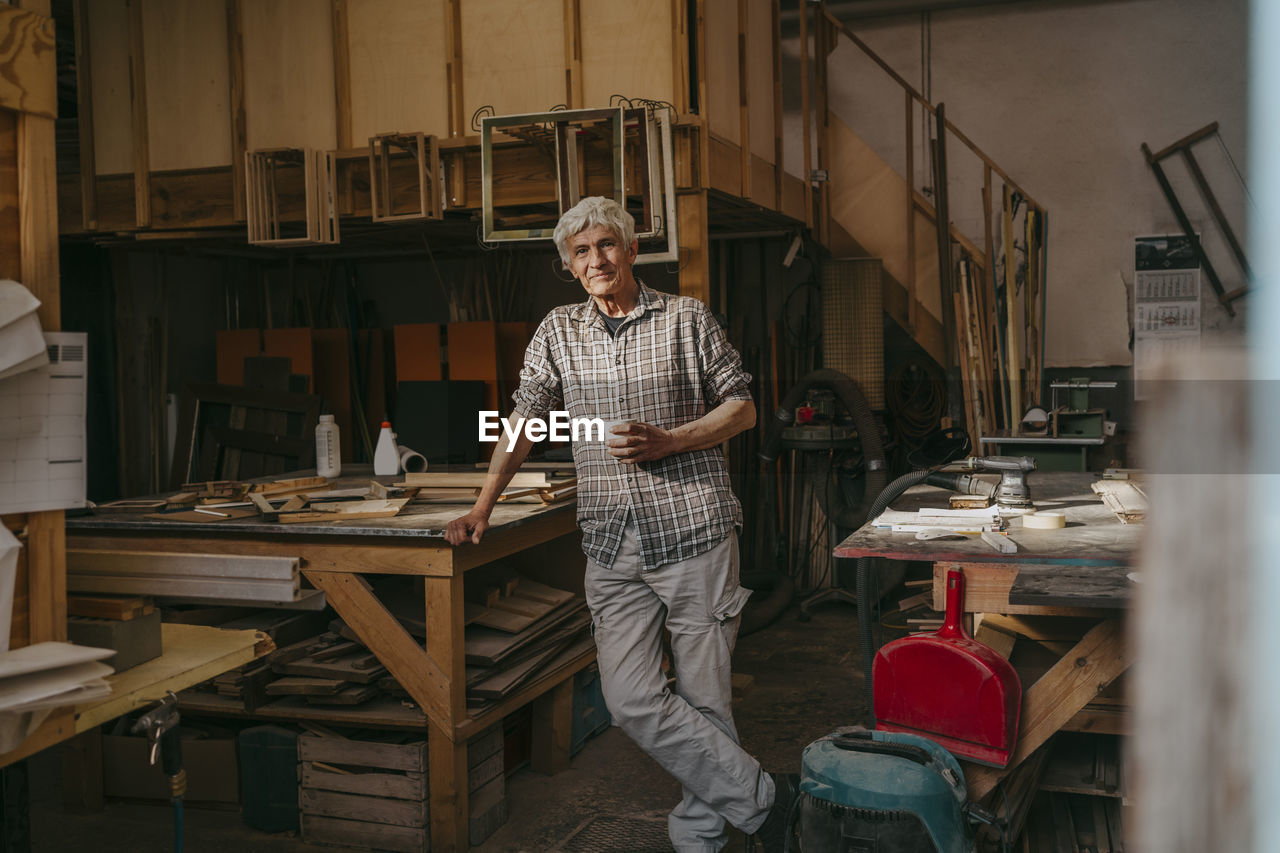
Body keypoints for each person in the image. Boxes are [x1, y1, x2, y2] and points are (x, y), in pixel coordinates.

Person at [446, 196, 795, 852]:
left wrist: (671, 441)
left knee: (706, 700)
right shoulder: (558, 332)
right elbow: (522, 421)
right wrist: (481, 506)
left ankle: (702, 839)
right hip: (611, 539)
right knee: (630, 698)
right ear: (570, 266)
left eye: (606, 244)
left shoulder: (686, 318)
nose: (596, 259)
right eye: (581, 252)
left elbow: (743, 408)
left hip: (694, 531)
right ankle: (766, 802)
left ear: (632, 250)